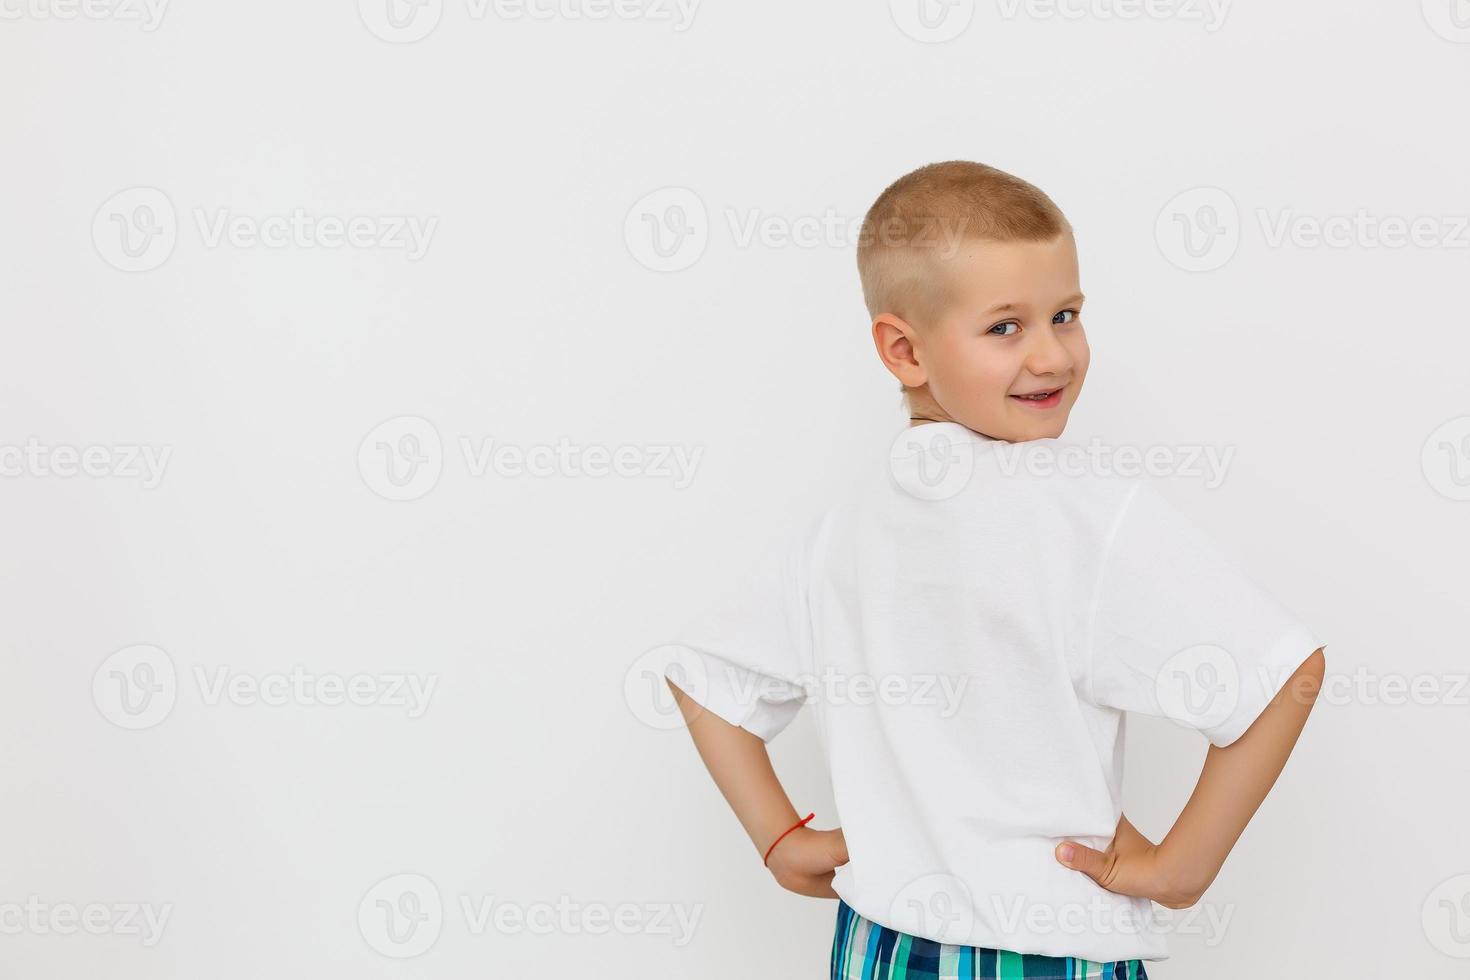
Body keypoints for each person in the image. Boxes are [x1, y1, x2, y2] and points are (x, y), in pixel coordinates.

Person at [660, 160, 1327, 977]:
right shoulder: (1086, 511)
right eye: (1005, 327)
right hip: (1047, 949)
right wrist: (1182, 868)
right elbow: (1280, 674)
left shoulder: (849, 525)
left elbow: (704, 680)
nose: (1051, 355)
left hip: (880, 946)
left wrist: (780, 838)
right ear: (904, 349)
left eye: (1067, 315)